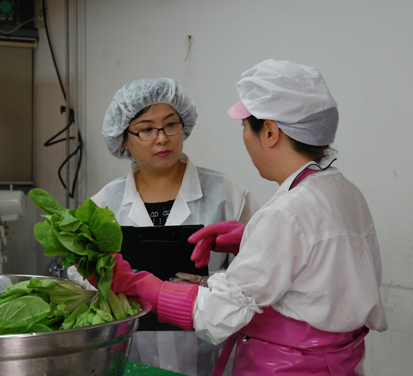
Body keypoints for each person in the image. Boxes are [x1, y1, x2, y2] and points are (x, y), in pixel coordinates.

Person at [97, 60, 388, 375]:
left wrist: (138, 285)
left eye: (245, 127)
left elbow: (215, 314)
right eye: (146, 129)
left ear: (271, 132)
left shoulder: (286, 213)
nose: (162, 138)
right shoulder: (343, 190)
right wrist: (252, 238)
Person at [68, 77, 259, 375]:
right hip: (132, 353)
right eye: (146, 129)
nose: (162, 138)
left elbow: (258, 272)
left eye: (171, 125)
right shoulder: (103, 203)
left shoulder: (228, 195)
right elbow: (78, 274)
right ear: (124, 139)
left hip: (208, 351)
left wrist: (212, 283)